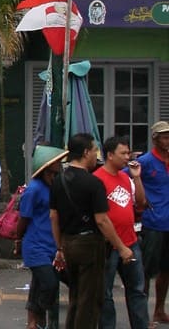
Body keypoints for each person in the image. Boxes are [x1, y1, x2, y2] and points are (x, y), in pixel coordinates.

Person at [49, 133, 134, 329]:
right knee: (89, 300)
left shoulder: (59, 180)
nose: (96, 155)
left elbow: (54, 217)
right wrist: (121, 247)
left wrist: (59, 246)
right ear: (86, 152)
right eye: (94, 150)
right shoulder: (94, 183)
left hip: (68, 242)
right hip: (90, 243)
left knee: (76, 296)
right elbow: (102, 220)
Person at [94, 136, 148, 329]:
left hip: (131, 241)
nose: (127, 157)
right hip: (109, 246)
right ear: (110, 155)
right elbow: (99, 217)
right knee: (105, 294)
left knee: (137, 290)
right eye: (123, 153)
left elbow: (140, 203)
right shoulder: (98, 179)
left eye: (128, 153)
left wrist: (137, 177)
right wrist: (118, 245)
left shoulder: (125, 177)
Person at [15, 144, 68, 329]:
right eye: (56, 166)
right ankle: (38, 318)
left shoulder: (55, 186)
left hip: (53, 245)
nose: (59, 168)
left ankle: (33, 322)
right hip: (36, 246)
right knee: (49, 284)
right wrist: (18, 240)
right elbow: (24, 218)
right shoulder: (34, 189)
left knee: (39, 284)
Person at [137, 120, 169, 325]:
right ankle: (142, 315)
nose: (168, 140)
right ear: (155, 139)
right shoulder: (146, 161)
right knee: (147, 271)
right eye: (165, 137)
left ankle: (159, 310)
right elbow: (125, 177)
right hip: (153, 223)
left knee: (166, 270)